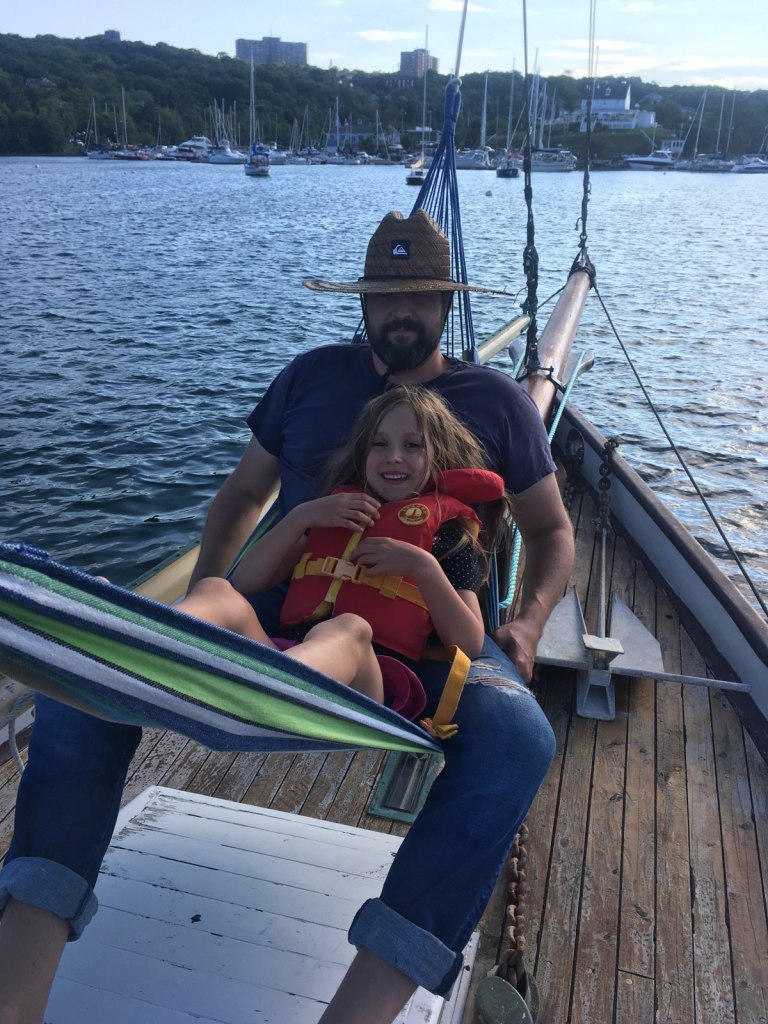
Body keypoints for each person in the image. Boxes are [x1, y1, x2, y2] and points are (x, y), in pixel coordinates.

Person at [0, 209, 574, 1024]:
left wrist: (532, 620)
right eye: (385, 296)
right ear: (363, 302)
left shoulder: (497, 402)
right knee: (91, 675)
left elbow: (552, 532)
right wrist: (207, 590)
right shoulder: (310, 376)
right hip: (287, 595)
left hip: (420, 628)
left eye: (418, 295)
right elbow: (242, 494)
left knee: (520, 738)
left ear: (446, 304)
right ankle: (17, 990)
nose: (400, 311)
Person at [177, 385, 510, 721]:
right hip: (289, 660)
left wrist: (423, 567)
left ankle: (270, 689)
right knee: (215, 589)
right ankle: (156, 641)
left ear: (439, 455)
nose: (394, 456)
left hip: (368, 688)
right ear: (362, 454)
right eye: (379, 444)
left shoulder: (447, 535)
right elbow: (246, 582)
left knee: (348, 628)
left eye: (413, 445)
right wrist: (301, 517)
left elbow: (470, 643)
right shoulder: (336, 516)